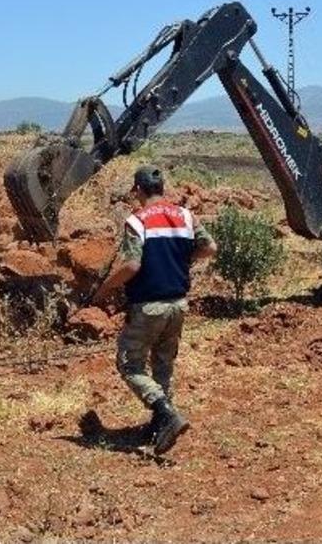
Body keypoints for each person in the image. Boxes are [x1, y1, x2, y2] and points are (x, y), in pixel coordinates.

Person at [90, 165, 217, 455]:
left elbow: (132, 264)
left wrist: (105, 289)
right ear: (162, 189)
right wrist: (183, 259)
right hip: (178, 305)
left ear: (138, 190)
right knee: (163, 365)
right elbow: (210, 248)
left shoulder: (137, 221)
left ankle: (166, 413)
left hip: (149, 306)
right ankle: (161, 426)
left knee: (130, 365)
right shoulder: (186, 215)